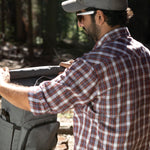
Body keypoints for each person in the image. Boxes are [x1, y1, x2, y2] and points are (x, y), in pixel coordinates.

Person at [0, 0, 150, 149]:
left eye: (80, 16)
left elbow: (37, 100)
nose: (80, 24)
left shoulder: (92, 66)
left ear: (99, 17)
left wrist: (2, 84)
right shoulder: (144, 54)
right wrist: (78, 72)